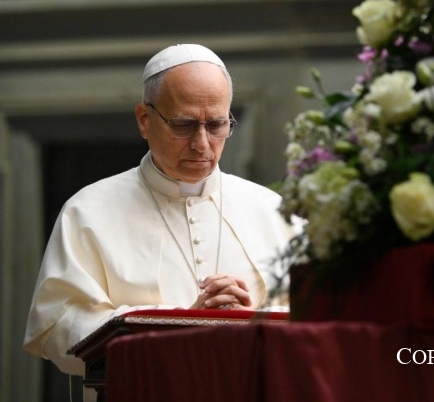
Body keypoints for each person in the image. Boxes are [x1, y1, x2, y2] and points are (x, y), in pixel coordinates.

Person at [23, 44, 294, 382]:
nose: (201, 143)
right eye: (183, 125)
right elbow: (59, 327)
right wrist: (181, 326)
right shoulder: (87, 211)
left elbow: (319, 322)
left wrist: (251, 323)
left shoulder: (274, 211)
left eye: (216, 125)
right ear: (144, 120)